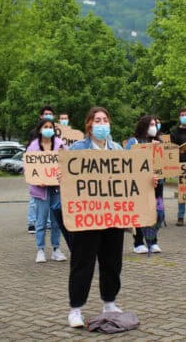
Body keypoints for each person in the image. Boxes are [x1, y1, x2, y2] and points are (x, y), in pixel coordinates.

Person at [65, 106, 127, 328]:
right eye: (97, 120)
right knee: (83, 262)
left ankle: (109, 302)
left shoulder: (118, 149)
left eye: (105, 119)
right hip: (87, 216)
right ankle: (75, 309)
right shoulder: (77, 149)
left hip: (113, 216)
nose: (102, 124)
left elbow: (129, 178)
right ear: (89, 124)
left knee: (112, 262)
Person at [26, 119, 67, 263]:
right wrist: (38, 180)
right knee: (41, 220)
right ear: (40, 129)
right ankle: (40, 249)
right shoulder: (33, 147)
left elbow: (66, 163)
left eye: (51, 127)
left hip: (56, 188)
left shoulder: (60, 144)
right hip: (40, 189)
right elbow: (28, 167)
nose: (49, 129)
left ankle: (56, 249)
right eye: (46, 127)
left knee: (56, 220)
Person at [125, 115, 165, 254]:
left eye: (155, 124)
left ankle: (153, 240)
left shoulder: (159, 141)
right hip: (140, 184)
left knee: (158, 213)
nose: (154, 127)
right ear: (144, 126)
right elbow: (126, 160)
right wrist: (147, 148)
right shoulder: (133, 141)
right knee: (140, 213)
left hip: (157, 183)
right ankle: (138, 242)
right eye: (151, 124)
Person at [26, 105, 55, 234]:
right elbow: (30, 154)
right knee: (35, 199)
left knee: (50, 199)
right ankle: (32, 222)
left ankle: (48, 223)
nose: (48, 116)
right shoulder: (34, 133)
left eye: (51, 114)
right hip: (38, 172)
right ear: (41, 116)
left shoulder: (57, 133)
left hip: (51, 174)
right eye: (46, 114)